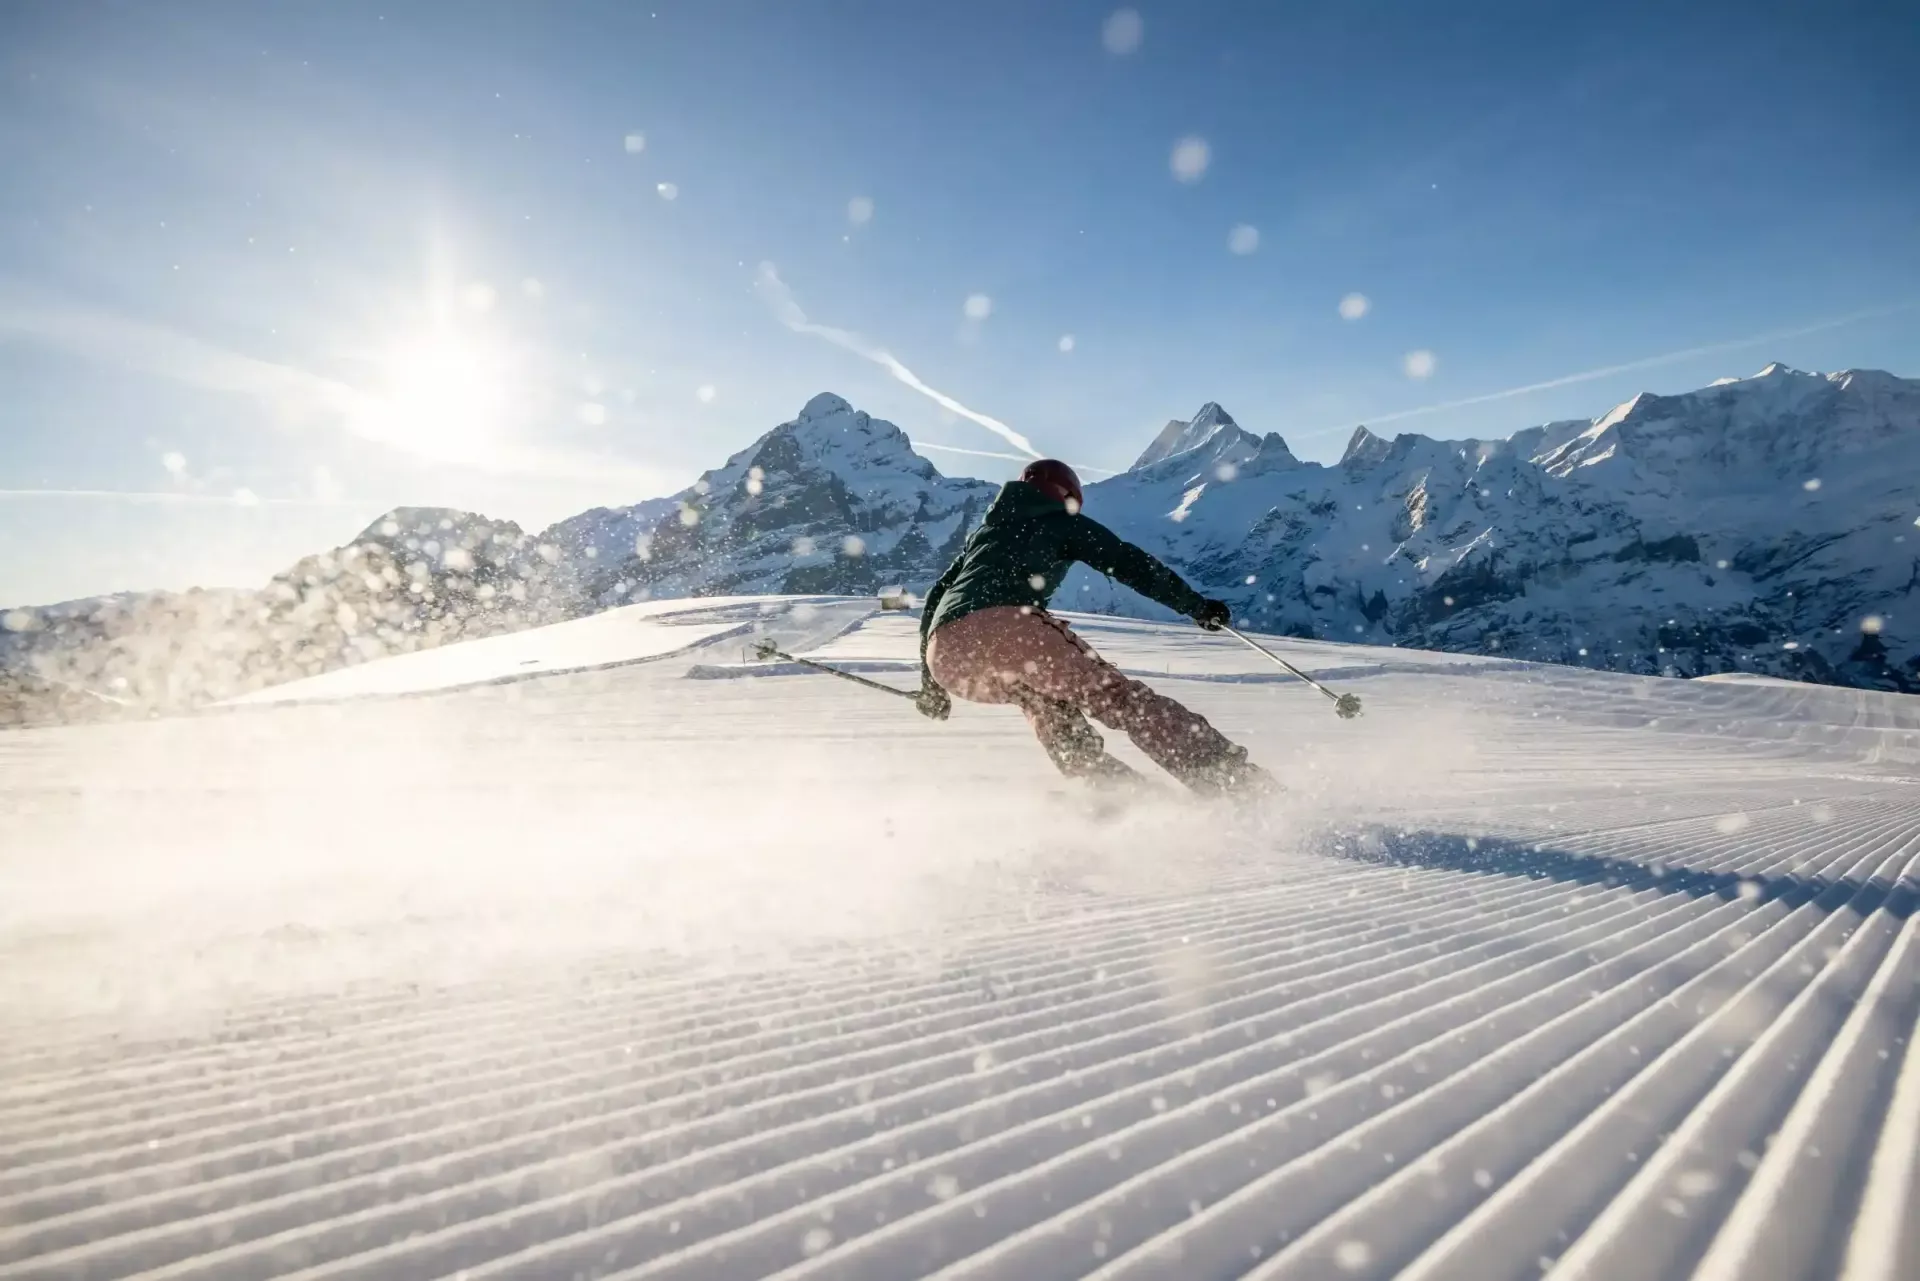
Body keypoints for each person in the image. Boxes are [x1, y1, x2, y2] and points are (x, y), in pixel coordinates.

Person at [914, 458, 1275, 797]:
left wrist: (931, 685)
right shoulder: (1059, 519)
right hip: (1011, 628)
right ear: (1065, 495)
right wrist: (1195, 605)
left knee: (1043, 702)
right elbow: (1127, 562)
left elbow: (935, 598)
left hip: (945, 653)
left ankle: (1119, 794)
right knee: (1119, 700)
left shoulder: (985, 535)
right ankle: (1232, 780)